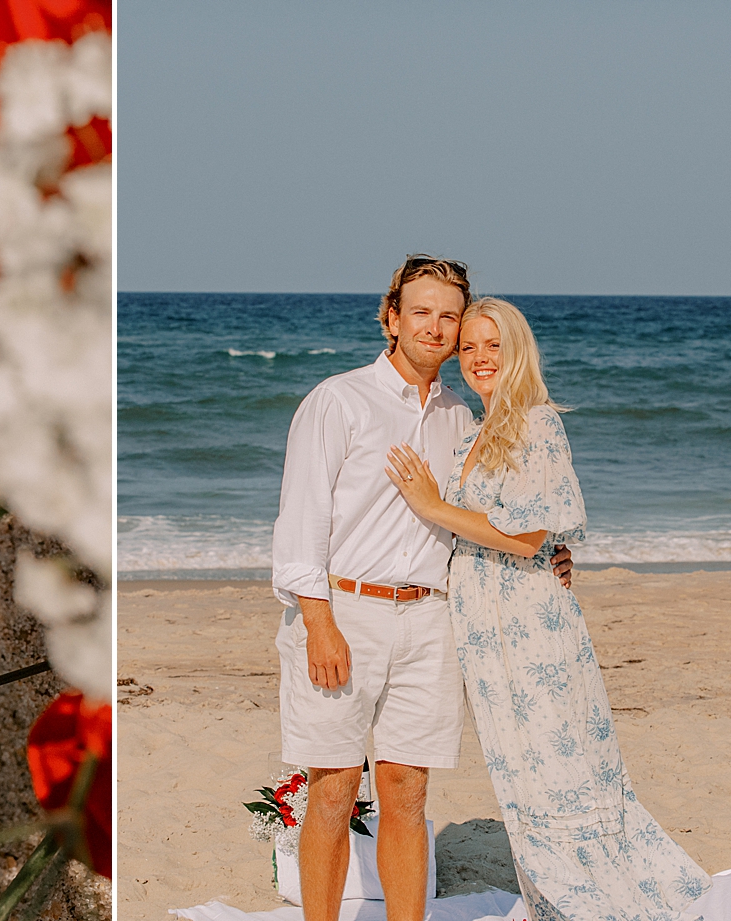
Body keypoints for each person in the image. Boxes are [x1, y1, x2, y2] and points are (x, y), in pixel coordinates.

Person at [270, 256, 573, 921]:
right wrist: (319, 624)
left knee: (407, 791)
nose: (435, 326)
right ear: (391, 317)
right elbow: (299, 524)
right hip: (344, 611)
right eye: (421, 311)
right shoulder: (338, 400)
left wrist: (549, 552)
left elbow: (489, 510)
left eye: (448, 315)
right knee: (334, 788)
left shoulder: (459, 415)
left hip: (432, 620)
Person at [385, 297, 708, 921]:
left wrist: (431, 506)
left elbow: (529, 536)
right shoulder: (477, 433)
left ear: (518, 353)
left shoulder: (536, 423)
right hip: (486, 631)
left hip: (531, 630)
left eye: (494, 346)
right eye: (469, 346)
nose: (479, 358)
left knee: (562, 771)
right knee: (522, 778)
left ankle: (596, 904)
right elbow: (526, 534)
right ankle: (555, 902)